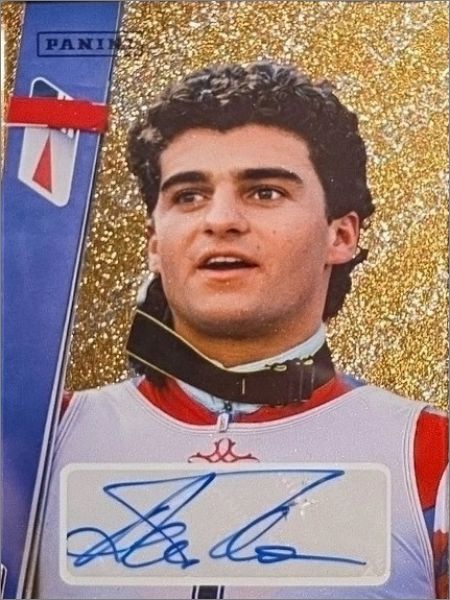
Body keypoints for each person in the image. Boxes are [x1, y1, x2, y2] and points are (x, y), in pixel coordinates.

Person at [37, 61, 448, 599]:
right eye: (189, 196)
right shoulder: (39, 440)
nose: (220, 220)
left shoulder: (431, 455)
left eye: (265, 192)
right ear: (155, 244)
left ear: (341, 235)